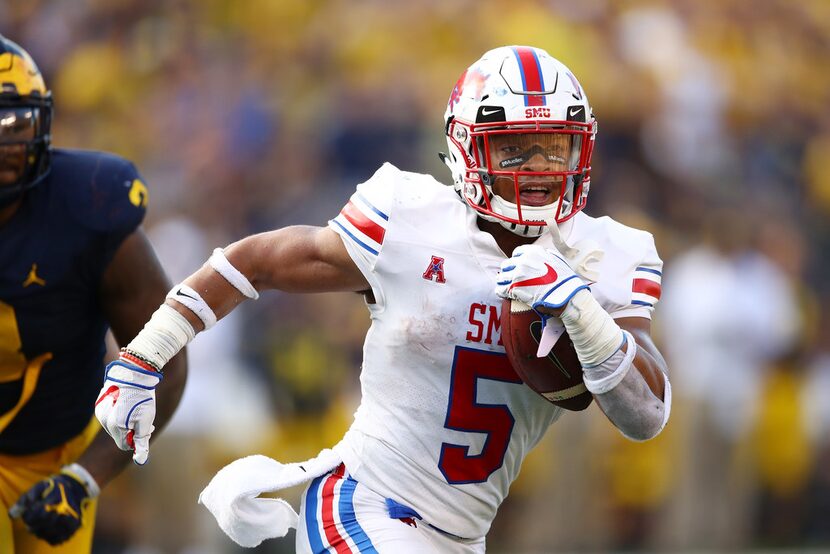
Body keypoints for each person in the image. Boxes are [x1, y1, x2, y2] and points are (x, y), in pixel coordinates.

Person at [95, 45, 671, 553]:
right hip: (364, 505)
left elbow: (645, 416)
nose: (539, 170)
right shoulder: (410, 217)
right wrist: (143, 357)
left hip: (461, 536)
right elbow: (257, 262)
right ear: (468, 149)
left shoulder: (602, 256)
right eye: (515, 150)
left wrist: (584, 312)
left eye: (554, 148)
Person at [0, 34, 187, 552]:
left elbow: (164, 364)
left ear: (41, 125)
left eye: (11, 123)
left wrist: (85, 478)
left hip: (59, 451)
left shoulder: (90, 208)